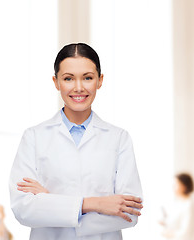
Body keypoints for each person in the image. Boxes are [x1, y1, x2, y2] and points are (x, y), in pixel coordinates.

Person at [9, 43, 143, 240]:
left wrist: (50, 203)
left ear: (100, 80)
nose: (78, 87)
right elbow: (23, 209)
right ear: (56, 82)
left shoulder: (118, 138)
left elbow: (129, 214)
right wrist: (93, 204)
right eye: (68, 78)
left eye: (87, 78)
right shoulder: (34, 137)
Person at [159, 173, 194, 240]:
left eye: (176, 184)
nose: (173, 186)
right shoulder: (178, 202)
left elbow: (186, 231)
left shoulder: (189, 205)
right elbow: (174, 221)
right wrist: (164, 222)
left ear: (184, 186)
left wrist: (170, 234)